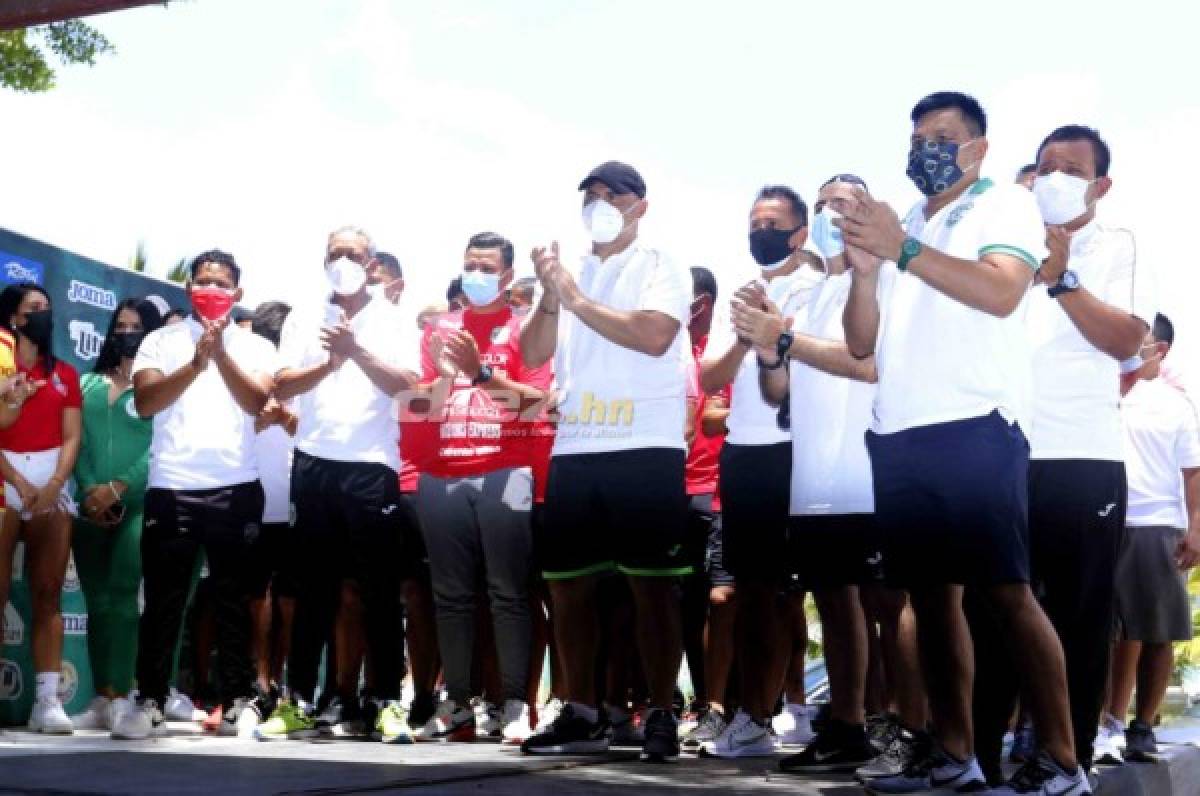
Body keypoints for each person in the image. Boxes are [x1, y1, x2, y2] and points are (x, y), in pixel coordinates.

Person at [839, 91, 1089, 795]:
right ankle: (955, 756)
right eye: (918, 137)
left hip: (977, 423)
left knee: (1006, 593)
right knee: (931, 599)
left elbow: (1003, 291)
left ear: (976, 147)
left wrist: (904, 250)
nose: (927, 149)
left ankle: (1064, 762)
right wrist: (867, 272)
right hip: (900, 430)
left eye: (943, 136)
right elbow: (863, 341)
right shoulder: (910, 219)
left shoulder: (1004, 205)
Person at [970, 124, 1155, 782]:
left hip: (1082, 459)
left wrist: (1062, 277)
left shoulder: (1119, 246)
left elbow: (1127, 339)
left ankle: (1062, 758)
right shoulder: (1002, 248)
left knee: (1077, 618)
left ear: (1099, 185)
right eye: (1044, 165)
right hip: (1001, 452)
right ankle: (977, 757)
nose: (1050, 176)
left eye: (1069, 168)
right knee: (987, 613)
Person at [519, 160, 692, 763]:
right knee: (568, 590)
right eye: (588, 196)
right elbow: (533, 353)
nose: (598, 203)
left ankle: (663, 713)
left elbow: (653, 336)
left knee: (652, 593)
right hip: (576, 448)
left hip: (644, 444)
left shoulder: (658, 265)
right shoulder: (571, 273)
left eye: (610, 194)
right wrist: (549, 297)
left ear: (639, 204)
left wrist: (574, 295)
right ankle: (583, 708)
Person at [738, 174, 881, 773]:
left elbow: (867, 363)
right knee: (835, 604)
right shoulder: (805, 296)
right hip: (812, 479)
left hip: (870, 473)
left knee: (892, 607)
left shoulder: (885, 285)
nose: (829, 215)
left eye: (842, 206)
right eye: (822, 206)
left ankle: (902, 726)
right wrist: (769, 347)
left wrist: (785, 337)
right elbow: (778, 393)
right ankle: (847, 725)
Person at [114, 250, 276, 740]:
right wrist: (195, 363)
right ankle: (151, 700)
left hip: (235, 487)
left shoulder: (256, 347)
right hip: (172, 489)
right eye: (202, 281)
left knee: (233, 602)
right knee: (163, 602)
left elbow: (256, 402)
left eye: (221, 283)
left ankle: (236, 702)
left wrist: (221, 355)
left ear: (238, 293)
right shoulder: (161, 341)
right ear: (189, 289)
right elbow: (145, 403)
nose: (211, 289)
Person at [274, 226, 421, 744]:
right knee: (312, 591)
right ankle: (297, 704)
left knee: (380, 592)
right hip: (313, 464)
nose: (343, 261)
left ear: (373, 262)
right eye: (334, 253)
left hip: (372, 467)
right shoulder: (302, 316)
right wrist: (326, 364)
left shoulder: (395, 319)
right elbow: (281, 385)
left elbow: (411, 388)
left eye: (353, 254)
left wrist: (357, 353)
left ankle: (386, 704)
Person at [404, 231, 551, 744]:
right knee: (450, 597)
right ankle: (459, 702)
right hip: (441, 475)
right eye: (469, 265)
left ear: (507, 277)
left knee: (509, 593)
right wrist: (444, 379)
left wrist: (480, 372)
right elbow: (418, 405)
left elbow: (540, 405)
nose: (476, 276)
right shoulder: (438, 329)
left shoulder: (525, 331)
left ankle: (514, 702)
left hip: (504, 471)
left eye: (487, 268)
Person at [696, 184, 821, 758]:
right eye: (753, 222)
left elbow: (792, 383)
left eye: (771, 223)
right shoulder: (746, 295)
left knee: (791, 597)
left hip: (794, 451)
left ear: (800, 231)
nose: (759, 232)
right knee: (749, 591)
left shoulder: (816, 286)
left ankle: (785, 711)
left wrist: (774, 332)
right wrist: (748, 335)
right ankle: (752, 717)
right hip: (743, 455)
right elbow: (709, 378)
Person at [1105, 315, 1200, 762]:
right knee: (1103, 632)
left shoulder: (1174, 404)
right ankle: (1101, 724)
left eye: (1139, 339)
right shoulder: (1099, 390)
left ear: (1159, 350)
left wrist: (1195, 529)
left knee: (1156, 632)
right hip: (1099, 520)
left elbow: (1193, 472)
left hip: (1157, 523)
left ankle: (1141, 727)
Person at [70, 297, 165, 732]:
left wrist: (120, 487)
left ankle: (125, 696)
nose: (127, 333)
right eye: (120, 326)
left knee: (125, 595)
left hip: (138, 503)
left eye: (136, 327)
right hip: (88, 504)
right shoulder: (87, 383)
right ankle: (101, 697)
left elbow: (159, 446)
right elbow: (77, 442)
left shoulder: (157, 387)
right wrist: (91, 488)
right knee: (97, 601)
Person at [0, 283, 82, 735]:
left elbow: (72, 436)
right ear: (15, 318)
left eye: (49, 308)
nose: (44, 315)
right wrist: (16, 481)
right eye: (35, 309)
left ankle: (47, 701)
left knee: (48, 592)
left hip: (51, 486)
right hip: (4, 480)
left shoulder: (65, 373)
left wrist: (53, 485)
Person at [678, 266, 735, 753]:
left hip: (722, 490)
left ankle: (739, 706)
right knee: (685, 604)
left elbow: (716, 421)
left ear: (708, 301)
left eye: (689, 299)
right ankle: (700, 704)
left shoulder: (725, 349)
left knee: (727, 601)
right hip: (676, 491)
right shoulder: (672, 347)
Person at [241, 301, 297, 728]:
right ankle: (258, 684)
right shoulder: (247, 373)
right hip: (254, 497)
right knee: (257, 596)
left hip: (294, 497)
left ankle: (275, 685)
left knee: (282, 599)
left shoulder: (303, 372)